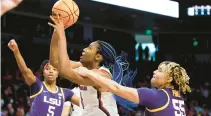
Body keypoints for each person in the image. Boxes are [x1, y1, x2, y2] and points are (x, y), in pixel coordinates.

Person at [48, 14, 137, 115]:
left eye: (89, 48)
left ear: (98, 57)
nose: (84, 49)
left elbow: (65, 71)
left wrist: (62, 36)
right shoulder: (83, 67)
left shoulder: (103, 75)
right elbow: (55, 63)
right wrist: (56, 33)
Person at [75, 61, 191, 116]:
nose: (154, 71)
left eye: (160, 70)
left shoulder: (156, 96)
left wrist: (89, 73)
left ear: (170, 79)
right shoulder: (177, 97)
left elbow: (116, 88)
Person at [8, 39, 79, 116]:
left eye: (54, 69)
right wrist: (16, 51)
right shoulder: (37, 85)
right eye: (47, 69)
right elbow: (25, 71)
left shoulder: (65, 93)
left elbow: (86, 104)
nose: (51, 71)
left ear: (58, 74)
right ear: (43, 73)